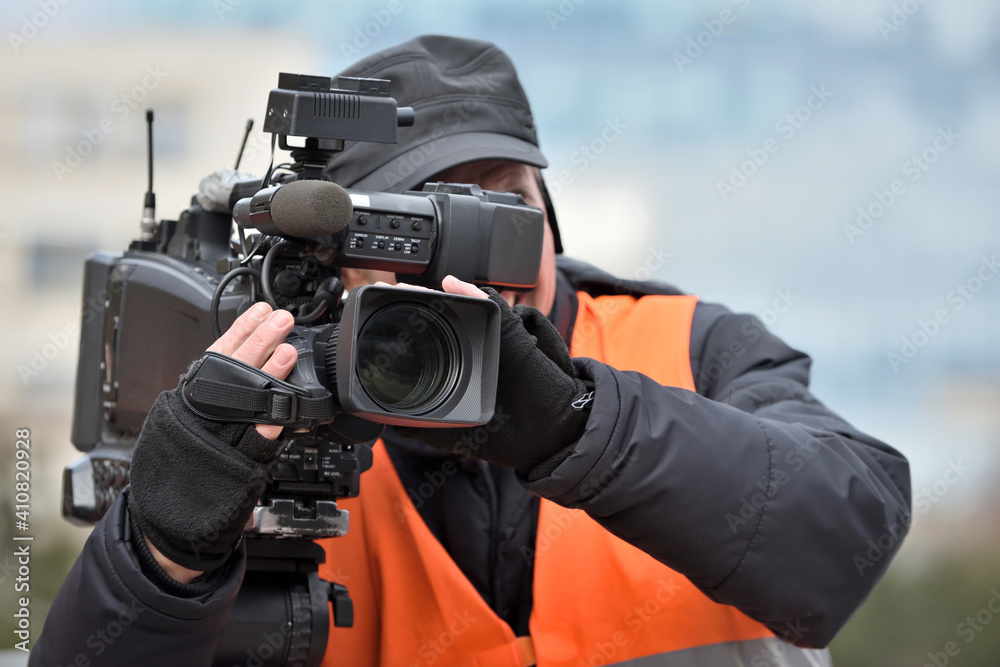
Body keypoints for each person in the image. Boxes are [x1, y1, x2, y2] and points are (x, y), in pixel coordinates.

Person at [32, 35, 911, 666]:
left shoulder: (689, 346)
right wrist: (163, 555)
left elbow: (849, 531)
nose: (480, 265)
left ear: (552, 218)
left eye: (508, 207)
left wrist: (579, 425)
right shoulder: (279, 417)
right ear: (333, 262)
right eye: (427, 221)